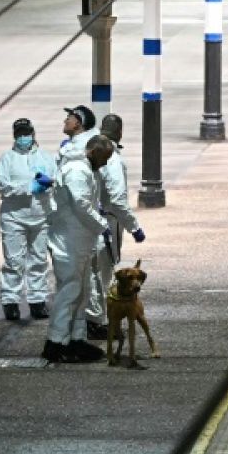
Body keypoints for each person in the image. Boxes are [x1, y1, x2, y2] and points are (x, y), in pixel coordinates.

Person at [41, 135, 115, 363]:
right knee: (69, 292)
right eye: (103, 159)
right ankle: (56, 343)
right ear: (93, 151)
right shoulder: (77, 170)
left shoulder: (86, 169)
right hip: (68, 241)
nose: (103, 164)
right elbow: (81, 204)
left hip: (79, 240)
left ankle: (76, 339)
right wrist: (102, 225)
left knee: (81, 293)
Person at [84, 113, 148, 339]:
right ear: (120, 133)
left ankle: (88, 319)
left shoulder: (86, 150)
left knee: (89, 272)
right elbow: (119, 200)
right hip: (108, 221)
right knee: (104, 272)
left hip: (87, 221)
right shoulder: (114, 159)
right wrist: (134, 227)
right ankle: (98, 321)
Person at [0, 118, 56, 321]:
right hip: (14, 217)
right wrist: (30, 187)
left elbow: (55, 182)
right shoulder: (7, 159)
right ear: (14, 136)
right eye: (19, 134)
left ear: (33, 133)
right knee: (13, 261)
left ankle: (37, 300)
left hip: (41, 217)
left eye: (26, 133)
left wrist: (48, 184)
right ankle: (10, 302)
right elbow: (3, 187)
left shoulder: (46, 158)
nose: (23, 138)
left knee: (39, 259)